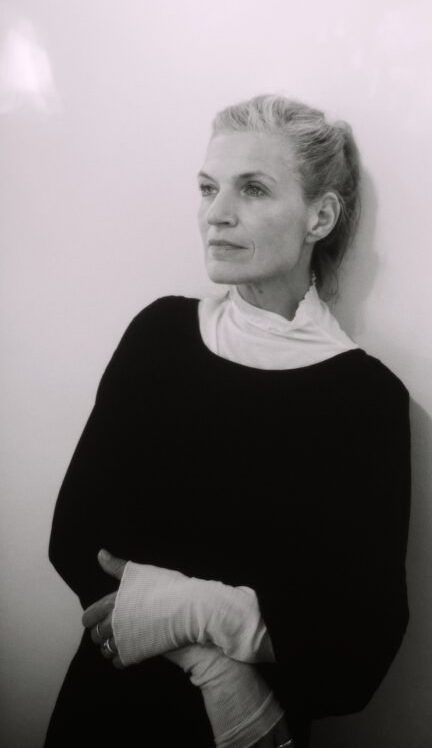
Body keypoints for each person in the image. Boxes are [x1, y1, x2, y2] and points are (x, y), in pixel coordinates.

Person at [44, 94, 411, 748]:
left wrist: (203, 609)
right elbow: (76, 541)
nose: (216, 213)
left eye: (253, 188)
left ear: (320, 217)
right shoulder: (159, 335)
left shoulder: (368, 401)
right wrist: (213, 665)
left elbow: (361, 648)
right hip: (106, 710)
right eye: (208, 188)